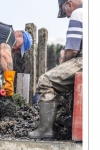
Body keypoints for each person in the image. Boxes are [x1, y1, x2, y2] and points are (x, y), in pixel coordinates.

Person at [28, 0, 82, 139]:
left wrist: (63, 61)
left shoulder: (79, 13)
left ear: (68, 4)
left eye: (65, 13)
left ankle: (45, 130)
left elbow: (72, 51)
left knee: (45, 80)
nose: (68, 16)